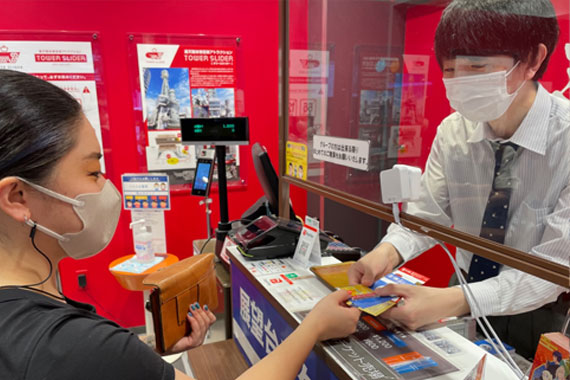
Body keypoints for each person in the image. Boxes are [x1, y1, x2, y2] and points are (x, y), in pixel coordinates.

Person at [0, 69, 361, 380]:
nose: (105, 187)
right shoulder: (70, 344)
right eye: (93, 172)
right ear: (17, 197)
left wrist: (146, 361)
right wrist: (314, 326)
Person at [348, 0, 569, 359]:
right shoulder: (453, 132)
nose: (460, 82)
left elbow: (555, 268)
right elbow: (425, 218)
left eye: (476, 66)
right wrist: (384, 254)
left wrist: (454, 299)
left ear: (532, 59)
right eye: (450, 69)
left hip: (539, 311)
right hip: (461, 290)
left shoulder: (567, 141)